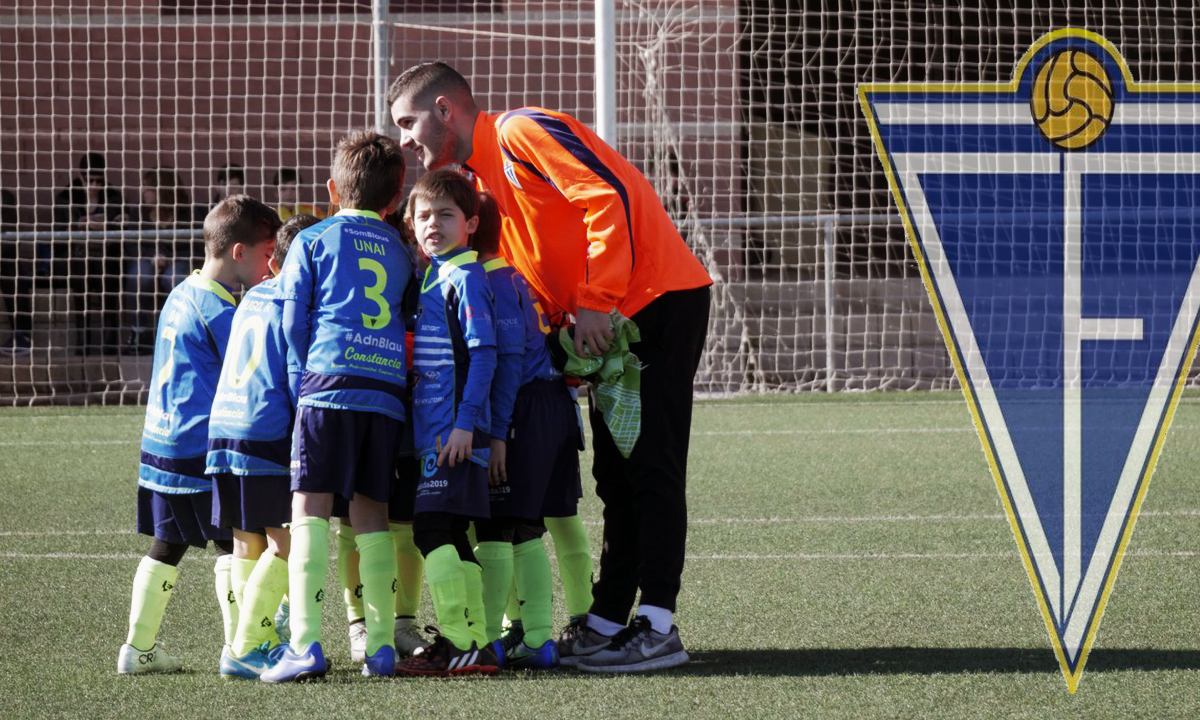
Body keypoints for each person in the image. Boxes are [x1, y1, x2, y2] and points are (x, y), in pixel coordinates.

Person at [388, 62, 713, 672]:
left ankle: (659, 624)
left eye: (408, 122)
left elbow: (607, 196)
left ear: (444, 111)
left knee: (651, 462)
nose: (407, 140)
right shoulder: (483, 183)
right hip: (610, 324)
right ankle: (609, 618)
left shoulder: (519, 133)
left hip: (653, 303)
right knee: (616, 475)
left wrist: (595, 301)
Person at [261, 131, 410, 682]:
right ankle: (379, 649)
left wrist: (302, 382)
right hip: (386, 392)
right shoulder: (400, 248)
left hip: (328, 386)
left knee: (309, 511)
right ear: (394, 201)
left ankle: (304, 645)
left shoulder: (313, 239)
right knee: (372, 513)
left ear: (331, 189)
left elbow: (291, 316)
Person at [117, 194, 281, 675]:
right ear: (239, 253)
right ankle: (242, 648)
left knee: (168, 546)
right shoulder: (224, 313)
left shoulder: (182, 291)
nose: (271, 266)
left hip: (160, 443)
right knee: (235, 542)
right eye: (267, 253)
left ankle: (138, 648)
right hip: (200, 448)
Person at [393, 168, 499, 677]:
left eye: (445, 215)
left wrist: (465, 425)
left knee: (433, 529)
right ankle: (475, 642)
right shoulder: (433, 274)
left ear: (471, 223)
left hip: (453, 434)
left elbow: (484, 356)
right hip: (434, 433)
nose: (432, 223)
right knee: (452, 534)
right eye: (423, 215)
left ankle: (459, 640)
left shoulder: (465, 275)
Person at [470, 192, 580, 670]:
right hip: (552, 405)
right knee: (529, 527)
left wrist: (497, 431)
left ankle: (490, 638)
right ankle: (534, 636)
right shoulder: (515, 274)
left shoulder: (491, 281)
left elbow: (509, 359)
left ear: (469, 227)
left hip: (524, 408)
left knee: (497, 527)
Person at [207, 213, 319, 679]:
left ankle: (251, 641)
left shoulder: (253, 295)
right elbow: (294, 370)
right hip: (263, 428)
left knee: (244, 540)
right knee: (287, 542)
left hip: (224, 425)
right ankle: (245, 643)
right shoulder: (293, 301)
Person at [51, 152, 127, 353]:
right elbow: (57, 234)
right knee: (82, 268)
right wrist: (78, 224)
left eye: (98, 181)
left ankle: (109, 337)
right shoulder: (67, 196)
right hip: (77, 255)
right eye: (89, 180)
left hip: (106, 256)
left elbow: (122, 225)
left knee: (107, 269)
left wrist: (107, 224)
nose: (94, 185)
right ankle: (82, 337)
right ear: (81, 176)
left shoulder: (112, 195)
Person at [124, 168, 202, 354]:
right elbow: (131, 244)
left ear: (163, 189)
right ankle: (138, 332)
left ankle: (178, 333)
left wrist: (170, 258)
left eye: (149, 188)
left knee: (175, 278)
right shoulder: (139, 213)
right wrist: (152, 256)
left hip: (179, 259)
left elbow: (197, 246)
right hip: (148, 259)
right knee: (140, 276)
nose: (144, 192)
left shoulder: (187, 213)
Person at [0, 189, 32, 356]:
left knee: (12, 269)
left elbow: (9, 240)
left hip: (3, 257)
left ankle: (22, 336)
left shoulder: (4, 199)